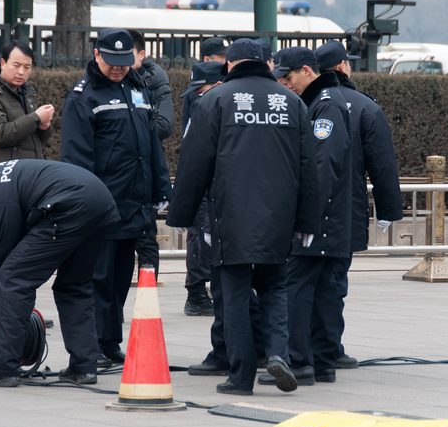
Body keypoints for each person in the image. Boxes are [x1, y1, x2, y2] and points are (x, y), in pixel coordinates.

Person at [167, 39, 321, 396]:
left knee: (234, 293)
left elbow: (195, 163)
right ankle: (278, 353)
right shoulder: (293, 102)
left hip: (230, 216)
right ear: (266, 63)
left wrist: (183, 213)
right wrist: (307, 221)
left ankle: (240, 376)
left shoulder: (215, 100)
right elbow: (308, 168)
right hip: (279, 217)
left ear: (230, 65)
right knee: (275, 287)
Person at [0, 159, 120, 387]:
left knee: (12, 280)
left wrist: (8, 313)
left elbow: (9, 268)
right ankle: (83, 367)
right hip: (99, 200)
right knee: (73, 285)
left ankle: (0, 368)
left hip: (68, 205)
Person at [61, 28, 172, 369]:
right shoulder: (84, 97)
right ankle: (90, 344)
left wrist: (160, 187)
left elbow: (151, 144)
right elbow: (77, 159)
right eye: (112, 62)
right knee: (97, 278)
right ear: (97, 55)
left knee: (121, 279)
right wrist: (87, 203)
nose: (119, 68)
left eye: (124, 63)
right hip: (101, 205)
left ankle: (110, 342)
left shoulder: (137, 88)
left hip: (134, 203)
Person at [260, 46, 352, 387]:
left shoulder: (324, 105)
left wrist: (307, 218)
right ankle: (323, 361)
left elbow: (321, 166)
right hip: (329, 220)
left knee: (298, 289)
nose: (285, 84)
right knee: (323, 292)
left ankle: (301, 361)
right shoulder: (323, 100)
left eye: (288, 77)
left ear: (307, 71)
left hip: (321, 221)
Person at [314, 40, 403, 369]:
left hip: (303, 212)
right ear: (341, 67)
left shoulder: (305, 101)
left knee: (305, 280)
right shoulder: (364, 106)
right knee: (335, 282)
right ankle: (329, 348)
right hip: (345, 210)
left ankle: (304, 344)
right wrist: (389, 210)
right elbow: (382, 165)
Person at [0, 40, 55, 331]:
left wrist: (44, 126)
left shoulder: (24, 93)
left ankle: (20, 310)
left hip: (24, 182)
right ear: (2, 62)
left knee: (23, 250)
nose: (21, 72)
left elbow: (34, 139)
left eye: (27, 67)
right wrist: (34, 119)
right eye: (16, 65)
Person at [178, 61, 225, 317]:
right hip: (207, 183)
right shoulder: (203, 105)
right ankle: (197, 293)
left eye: (201, 88)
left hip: (215, 183)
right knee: (202, 235)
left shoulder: (214, 103)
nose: (197, 94)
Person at [128, 29, 174, 283]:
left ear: (142, 55)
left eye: (128, 54)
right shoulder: (102, 79)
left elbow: (165, 125)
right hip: (113, 174)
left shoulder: (154, 79)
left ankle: (148, 297)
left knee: (145, 237)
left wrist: (131, 124)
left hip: (144, 168)